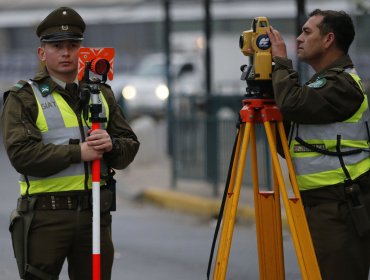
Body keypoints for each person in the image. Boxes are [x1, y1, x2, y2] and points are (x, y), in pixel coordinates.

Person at [1, 6, 140, 280]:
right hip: (44, 216)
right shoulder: (24, 97)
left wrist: (111, 144)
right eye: (56, 46)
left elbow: (129, 147)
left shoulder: (101, 93)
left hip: (94, 215)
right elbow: (22, 156)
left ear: (82, 50)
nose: (66, 52)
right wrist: (79, 152)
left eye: (73, 45)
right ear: (42, 53)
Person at [267, 9, 370, 280]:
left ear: (328, 40)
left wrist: (280, 62)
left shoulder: (342, 85)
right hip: (320, 205)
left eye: (307, 32)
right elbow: (293, 143)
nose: (299, 38)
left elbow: (292, 104)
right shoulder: (320, 85)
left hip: (340, 207)